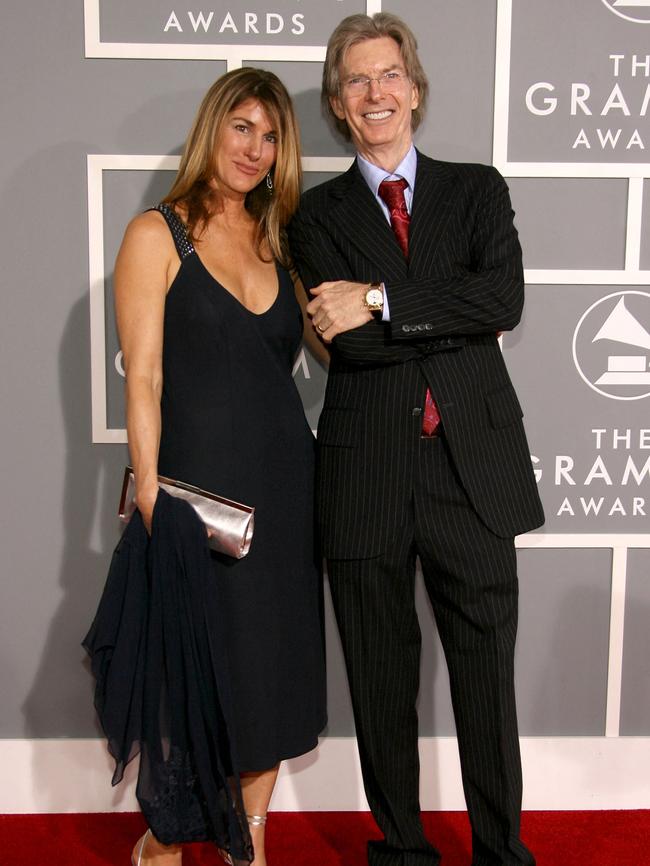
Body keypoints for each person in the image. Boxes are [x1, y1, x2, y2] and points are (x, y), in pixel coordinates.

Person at [288, 13, 544, 866]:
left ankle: (502, 853)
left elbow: (501, 299)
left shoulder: (477, 189)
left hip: (472, 467)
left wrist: (384, 299)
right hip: (367, 475)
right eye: (357, 81)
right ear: (336, 103)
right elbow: (346, 340)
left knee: (485, 683)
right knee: (380, 680)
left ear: (416, 88)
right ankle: (403, 849)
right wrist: (432, 308)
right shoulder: (313, 217)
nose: (376, 93)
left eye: (389, 74)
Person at [113, 67, 326, 866]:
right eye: (243, 128)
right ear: (213, 129)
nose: (256, 149)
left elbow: (326, 342)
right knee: (199, 669)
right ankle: (165, 837)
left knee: (273, 667)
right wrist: (151, 500)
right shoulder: (153, 235)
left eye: (271, 137)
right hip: (196, 496)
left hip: (284, 491)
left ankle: (250, 841)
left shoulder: (280, 239)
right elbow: (144, 380)